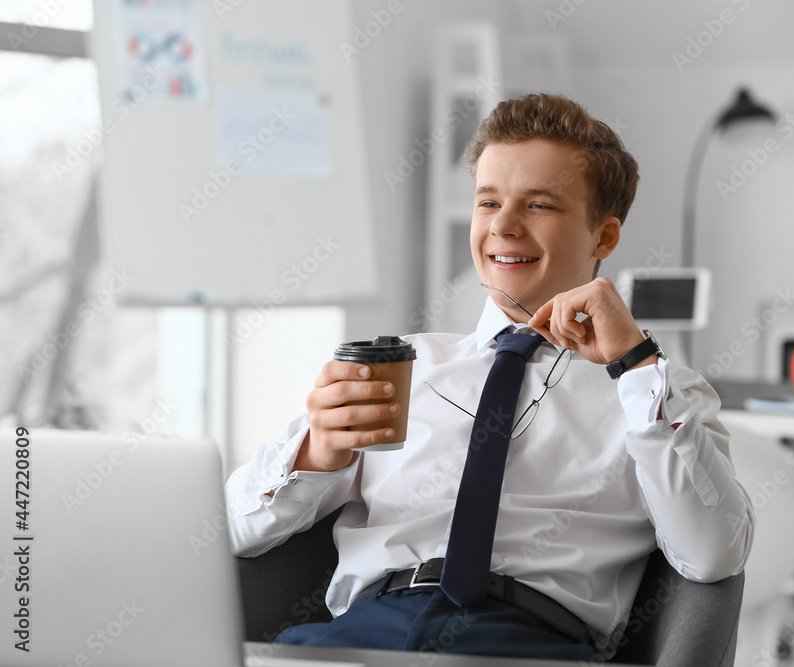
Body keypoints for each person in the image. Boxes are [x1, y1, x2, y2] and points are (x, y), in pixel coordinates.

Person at [226, 93, 754, 661]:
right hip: (358, 639)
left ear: (603, 237)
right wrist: (315, 453)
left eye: (538, 205)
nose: (503, 226)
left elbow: (713, 555)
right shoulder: (400, 363)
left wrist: (636, 366)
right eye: (488, 202)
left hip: (527, 645)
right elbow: (232, 529)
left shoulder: (654, 392)